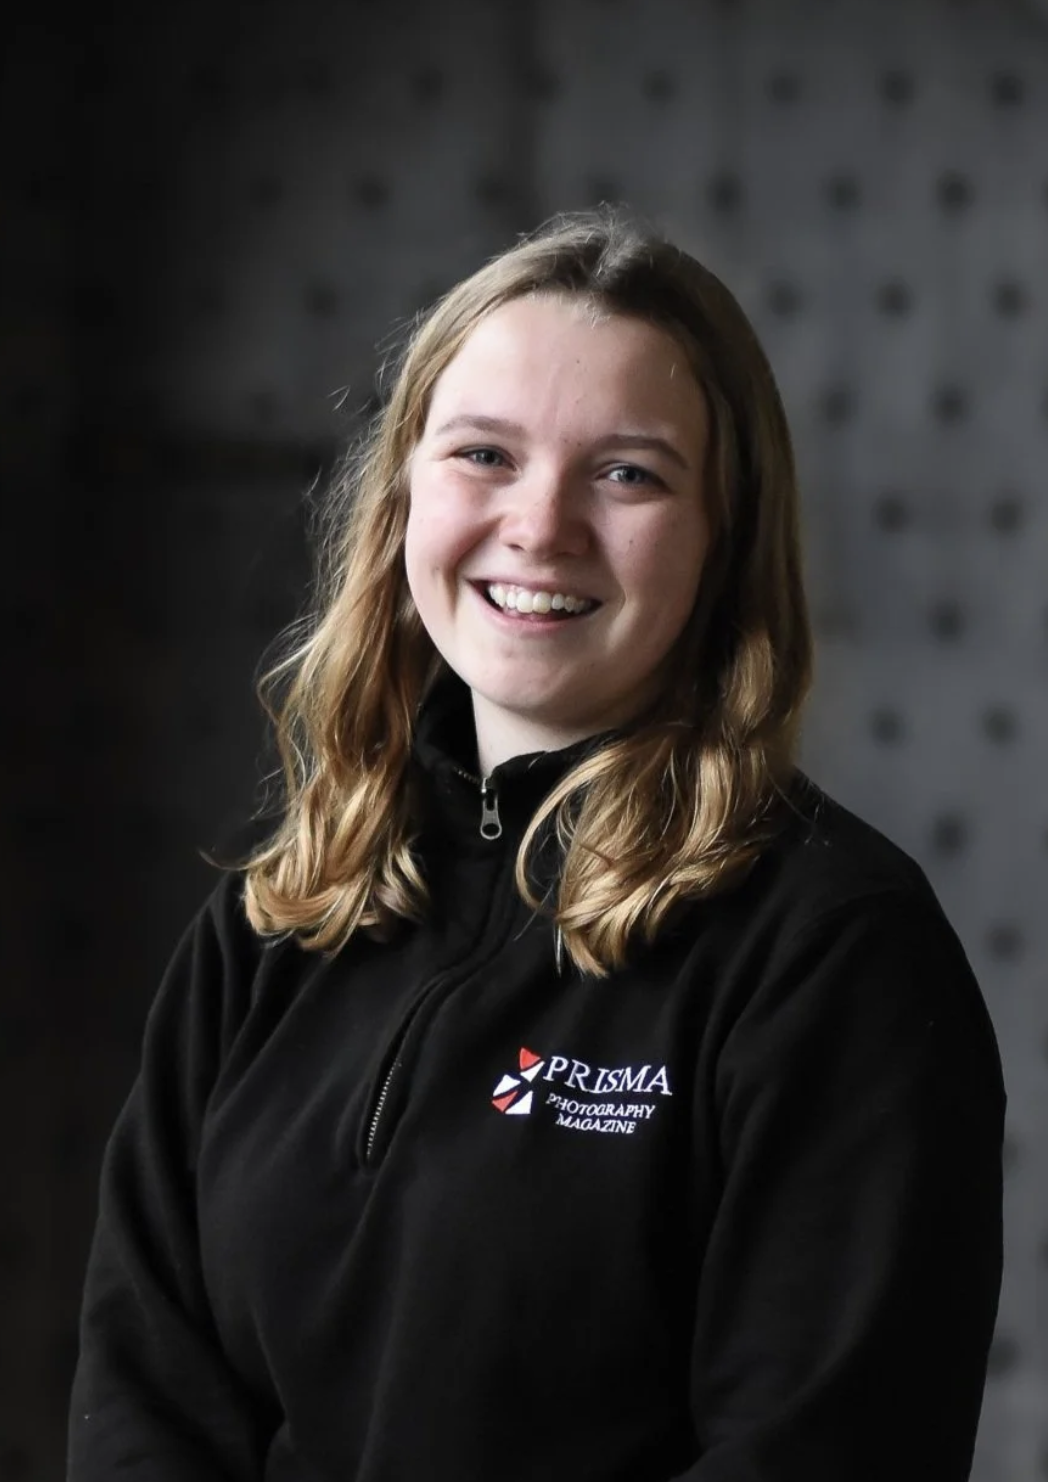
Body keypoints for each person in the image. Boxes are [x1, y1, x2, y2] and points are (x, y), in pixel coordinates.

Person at [68, 207, 1005, 1482]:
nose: (541, 523)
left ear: (724, 540)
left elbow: (825, 1452)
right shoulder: (276, 925)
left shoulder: (830, 953)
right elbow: (144, 1407)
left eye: (628, 473)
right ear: (403, 496)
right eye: (484, 455)